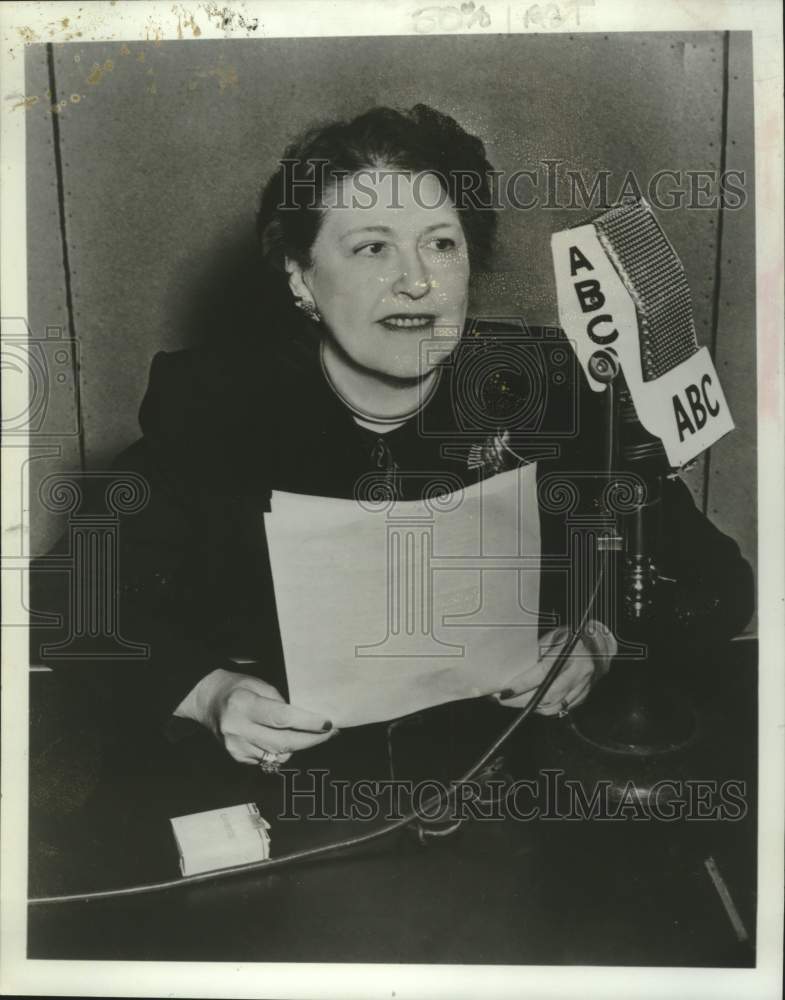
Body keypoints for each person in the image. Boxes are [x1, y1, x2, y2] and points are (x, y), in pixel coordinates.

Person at [30, 104, 754, 776]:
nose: (416, 281)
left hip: (505, 784)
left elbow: (713, 583)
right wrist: (208, 693)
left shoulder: (546, 388)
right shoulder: (219, 404)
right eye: (371, 248)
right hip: (289, 782)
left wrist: (598, 642)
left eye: (441, 244)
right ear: (301, 279)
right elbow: (67, 593)